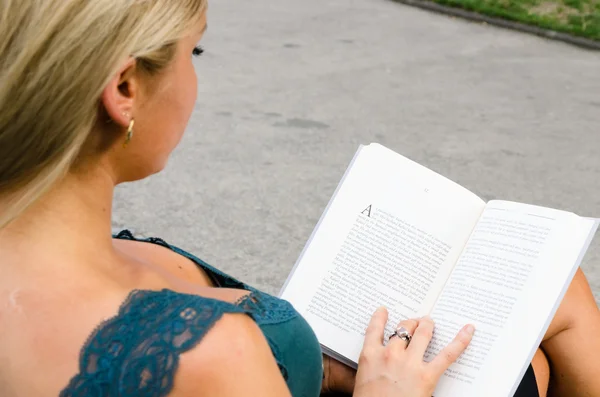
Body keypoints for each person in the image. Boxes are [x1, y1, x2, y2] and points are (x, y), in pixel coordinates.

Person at [0, 1, 599, 396]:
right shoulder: (212, 357)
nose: (195, 80)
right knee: (551, 307)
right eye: (194, 53)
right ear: (125, 88)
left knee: (535, 339)